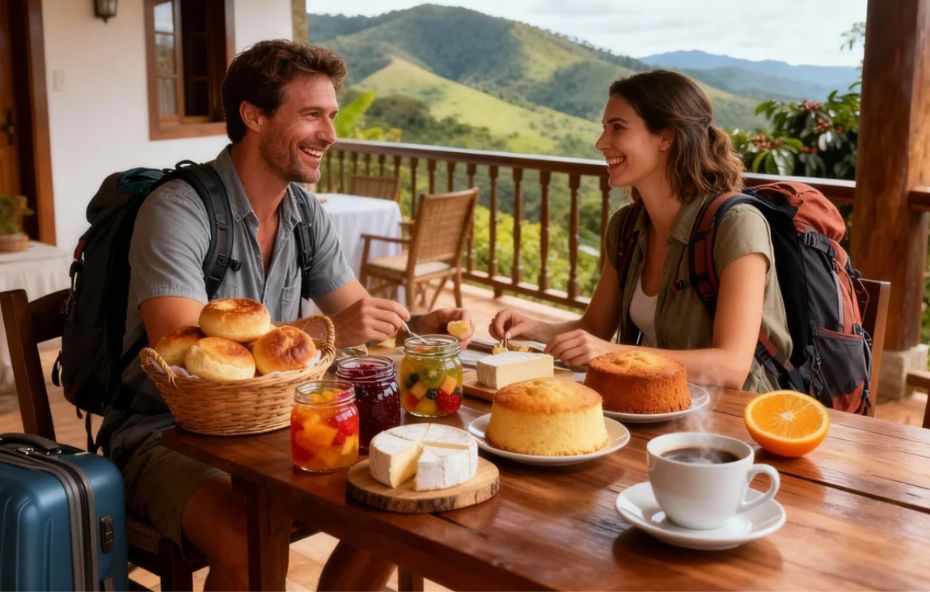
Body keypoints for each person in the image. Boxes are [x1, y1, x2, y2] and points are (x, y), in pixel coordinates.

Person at [97, 39, 472, 590]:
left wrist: (415, 328)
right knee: (250, 540)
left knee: (399, 496)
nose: (330, 133)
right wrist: (325, 335)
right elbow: (185, 354)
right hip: (163, 433)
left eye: (332, 115)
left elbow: (353, 314)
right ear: (253, 116)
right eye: (312, 114)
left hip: (275, 425)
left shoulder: (302, 211)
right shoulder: (177, 209)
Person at [490, 70, 790, 391]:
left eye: (617, 128)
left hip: (737, 412)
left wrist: (613, 353)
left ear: (666, 137)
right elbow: (595, 328)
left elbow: (731, 366)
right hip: (657, 401)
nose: (601, 143)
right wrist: (534, 328)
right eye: (604, 128)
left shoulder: (736, 224)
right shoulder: (627, 227)